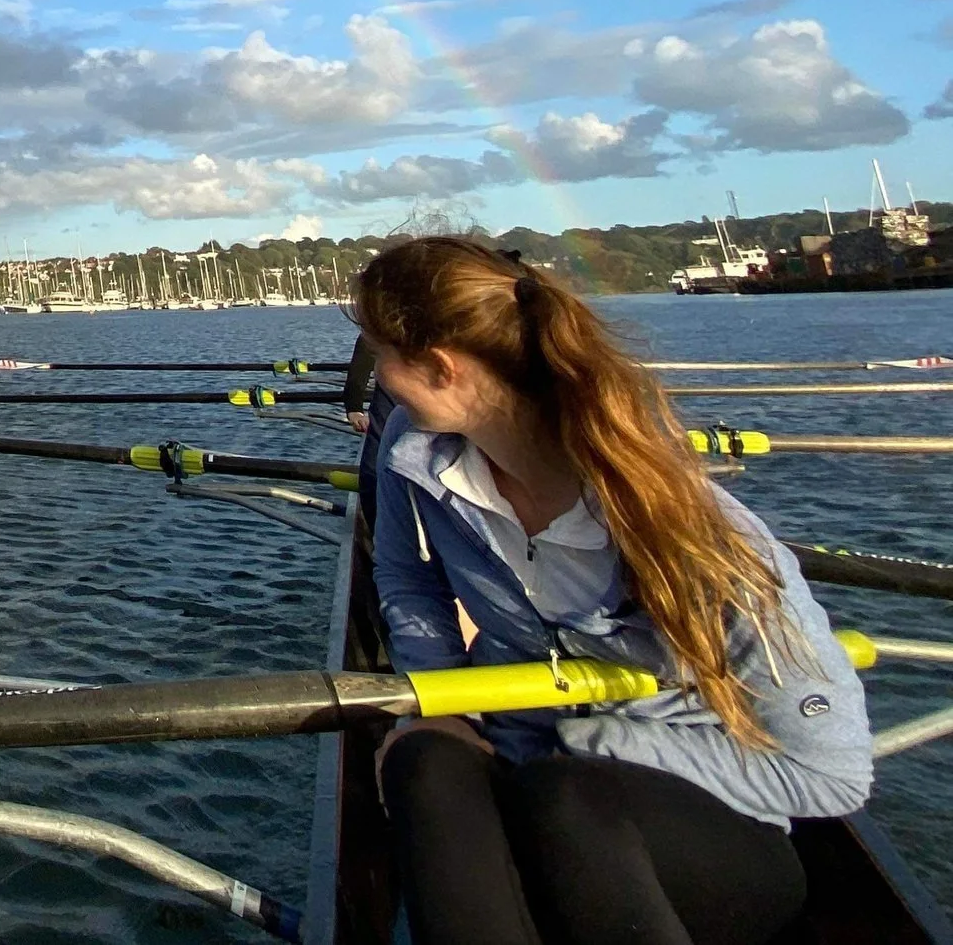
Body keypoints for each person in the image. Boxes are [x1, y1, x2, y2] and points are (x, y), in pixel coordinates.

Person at [356, 236, 871, 945]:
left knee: (566, 795)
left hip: (705, 844)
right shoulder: (411, 454)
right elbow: (407, 575)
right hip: (526, 771)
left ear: (442, 368)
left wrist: (588, 740)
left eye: (381, 354)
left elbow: (830, 777)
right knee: (424, 762)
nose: (375, 376)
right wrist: (442, 702)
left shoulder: (702, 535)